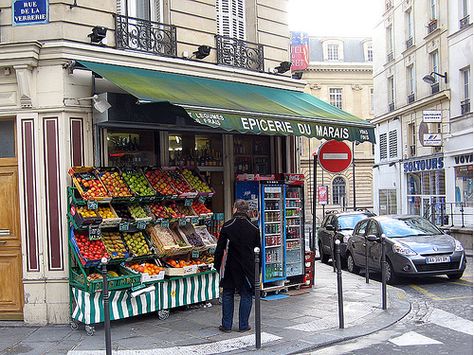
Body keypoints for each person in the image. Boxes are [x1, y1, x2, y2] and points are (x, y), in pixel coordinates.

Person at [214, 200, 261, 332]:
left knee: (228, 293)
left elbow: (220, 248)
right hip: (248, 267)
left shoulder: (228, 226)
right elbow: (258, 251)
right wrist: (258, 270)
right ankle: (243, 325)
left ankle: (226, 325)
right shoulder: (254, 228)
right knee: (246, 295)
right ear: (247, 211)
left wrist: (217, 265)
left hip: (231, 265)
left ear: (235, 209)